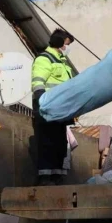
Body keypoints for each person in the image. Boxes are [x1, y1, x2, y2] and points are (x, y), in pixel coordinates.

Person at [31, 28, 77, 185]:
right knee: (47, 142)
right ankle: (45, 177)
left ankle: (57, 175)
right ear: (58, 43)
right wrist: (43, 103)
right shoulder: (44, 59)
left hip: (61, 110)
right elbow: (38, 83)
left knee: (59, 144)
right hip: (48, 109)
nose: (67, 47)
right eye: (66, 44)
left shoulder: (62, 62)